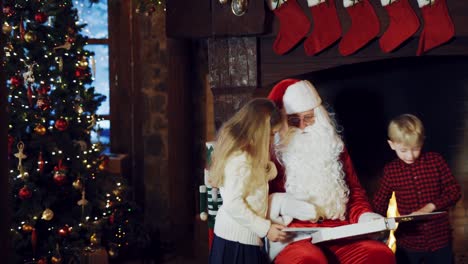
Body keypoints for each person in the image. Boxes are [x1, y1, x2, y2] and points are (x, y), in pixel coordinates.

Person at [266, 79, 396, 264]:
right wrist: (282, 203)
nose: (302, 126)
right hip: (294, 236)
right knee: (307, 260)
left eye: (308, 118)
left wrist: (365, 216)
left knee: (377, 254)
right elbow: (256, 199)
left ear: (319, 116)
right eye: (294, 120)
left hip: (338, 231)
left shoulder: (333, 147)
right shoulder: (274, 154)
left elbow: (354, 192)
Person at [208, 98, 290, 264]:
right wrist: (266, 229)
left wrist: (267, 168)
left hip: (241, 238)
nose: (273, 139)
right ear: (260, 132)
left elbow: (251, 182)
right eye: (272, 134)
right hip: (236, 241)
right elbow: (233, 203)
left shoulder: (248, 155)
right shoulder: (241, 159)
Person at [372, 114, 461, 264]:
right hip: (409, 242)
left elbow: (454, 191)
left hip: (440, 239)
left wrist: (430, 207)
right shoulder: (390, 171)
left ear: (422, 142)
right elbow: (380, 201)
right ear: (392, 144)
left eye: (416, 149)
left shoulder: (436, 161)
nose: (410, 156)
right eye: (403, 150)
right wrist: (375, 223)